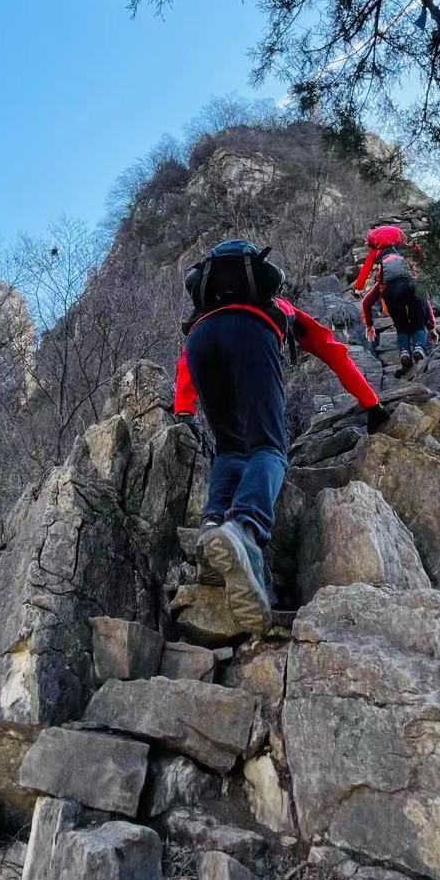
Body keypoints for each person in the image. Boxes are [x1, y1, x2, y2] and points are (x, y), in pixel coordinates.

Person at [174, 239, 390, 634]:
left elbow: (187, 360)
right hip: (251, 335)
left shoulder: (204, 313)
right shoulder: (278, 308)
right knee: (269, 447)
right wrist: (371, 403)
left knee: (231, 448)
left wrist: (183, 406)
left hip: (200, 344)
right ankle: (244, 529)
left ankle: (212, 529)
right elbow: (334, 350)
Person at [356, 226, 438, 371]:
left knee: (401, 326)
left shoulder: (379, 257)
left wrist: (369, 326)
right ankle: (419, 347)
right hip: (412, 286)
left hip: (390, 292)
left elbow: (366, 302)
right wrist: (431, 327)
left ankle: (405, 352)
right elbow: (425, 301)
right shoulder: (406, 251)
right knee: (418, 322)